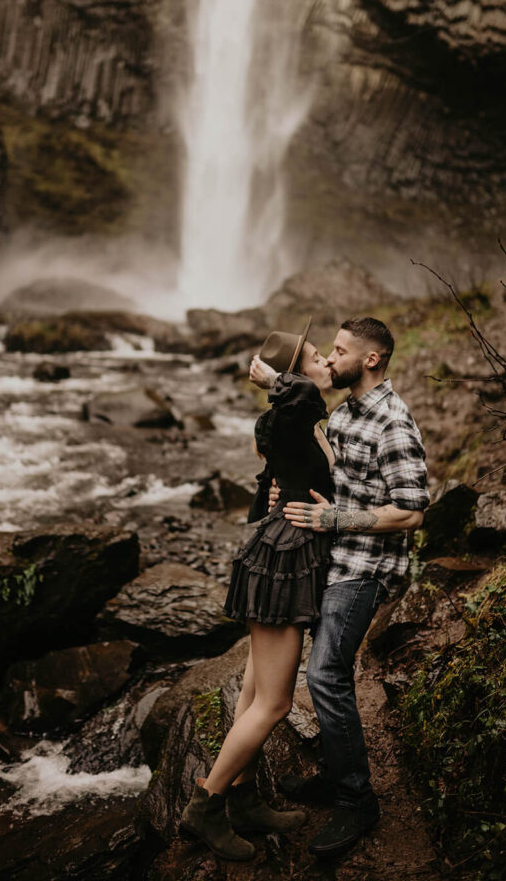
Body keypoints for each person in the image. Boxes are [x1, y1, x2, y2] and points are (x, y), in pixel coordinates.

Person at [250, 316, 429, 859]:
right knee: (322, 673)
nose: (330, 358)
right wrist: (285, 482)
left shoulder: (393, 423)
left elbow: (412, 512)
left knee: (325, 673)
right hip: (332, 560)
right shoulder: (348, 411)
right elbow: (317, 459)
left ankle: (357, 799)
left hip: (365, 566)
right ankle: (335, 770)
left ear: (371, 359)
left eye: (340, 350)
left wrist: (335, 521)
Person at [180, 316, 335, 861]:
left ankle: (243, 798)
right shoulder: (291, 413)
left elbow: (267, 485)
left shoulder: (293, 424)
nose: (327, 364)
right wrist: (276, 380)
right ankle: (206, 806)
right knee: (272, 703)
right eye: (317, 359)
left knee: (252, 691)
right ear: (295, 377)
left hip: (283, 555)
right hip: (282, 563)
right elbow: (296, 403)